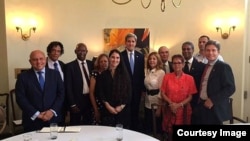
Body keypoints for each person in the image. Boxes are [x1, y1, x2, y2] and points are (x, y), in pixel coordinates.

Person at [15, 50, 64, 132]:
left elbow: (61, 94)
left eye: (41, 59)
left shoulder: (55, 74)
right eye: (35, 60)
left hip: (53, 119)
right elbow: (20, 98)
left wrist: (52, 111)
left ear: (45, 59)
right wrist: (37, 114)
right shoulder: (23, 77)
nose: (39, 62)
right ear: (30, 61)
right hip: (32, 121)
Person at [193, 40, 235, 124]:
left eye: (213, 50)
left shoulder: (223, 67)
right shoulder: (205, 67)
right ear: (204, 52)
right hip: (202, 106)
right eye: (208, 50)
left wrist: (213, 100)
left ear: (218, 52)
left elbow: (230, 88)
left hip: (214, 108)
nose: (210, 53)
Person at [160, 54, 197, 141]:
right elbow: (163, 93)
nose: (177, 65)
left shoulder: (190, 78)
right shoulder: (167, 77)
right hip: (169, 109)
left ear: (183, 64)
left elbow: (191, 96)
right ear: (172, 65)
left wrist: (179, 105)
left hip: (183, 110)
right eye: (174, 63)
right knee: (169, 133)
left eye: (179, 63)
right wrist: (171, 104)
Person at [98, 49, 131, 128]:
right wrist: (108, 106)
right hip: (107, 110)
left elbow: (129, 92)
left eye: (117, 58)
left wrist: (121, 106)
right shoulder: (103, 74)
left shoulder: (125, 74)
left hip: (122, 111)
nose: (115, 60)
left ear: (120, 59)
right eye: (113, 57)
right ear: (109, 58)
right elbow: (100, 92)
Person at [121, 33, 145, 131]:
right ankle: (126, 131)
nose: (131, 43)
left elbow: (141, 74)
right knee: (125, 112)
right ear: (125, 43)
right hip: (123, 90)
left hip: (136, 90)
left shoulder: (140, 56)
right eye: (129, 41)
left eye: (133, 41)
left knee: (135, 111)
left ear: (135, 43)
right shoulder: (120, 56)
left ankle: (134, 131)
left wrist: (142, 89)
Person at [65, 43, 93, 125]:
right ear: (75, 51)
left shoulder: (92, 64)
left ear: (86, 52)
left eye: (83, 51)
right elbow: (68, 87)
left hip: (90, 100)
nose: (81, 53)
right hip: (76, 101)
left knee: (89, 124)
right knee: (75, 125)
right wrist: (72, 104)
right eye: (79, 51)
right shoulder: (69, 66)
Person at [181, 41, 206, 124]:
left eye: (188, 49)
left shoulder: (201, 66)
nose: (186, 51)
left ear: (193, 50)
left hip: (196, 101)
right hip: (181, 100)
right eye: (184, 49)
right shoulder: (178, 66)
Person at [143, 52, 165, 134]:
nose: (151, 60)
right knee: (148, 124)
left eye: (154, 59)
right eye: (150, 59)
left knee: (156, 126)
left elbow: (161, 91)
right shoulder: (148, 71)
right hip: (147, 101)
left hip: (156, 102)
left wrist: (159, 108)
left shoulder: (161, 72)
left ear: (158, 60)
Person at [89, 53, 109, 124]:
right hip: (97, 104)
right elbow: (91, 92)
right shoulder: (95, 73)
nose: (103, 63)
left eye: (105, 61)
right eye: (101, 61)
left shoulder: (110, 73)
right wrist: (96, 109)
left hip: (108, 105)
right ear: (98, 63)